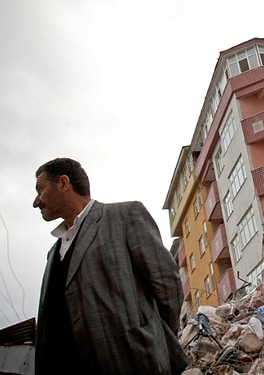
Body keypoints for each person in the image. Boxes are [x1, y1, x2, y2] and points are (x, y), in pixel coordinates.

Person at [33, 158, 188, 375]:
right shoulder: (53, 253)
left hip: (132, 365)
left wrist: (148, 336)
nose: (36, 202)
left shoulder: (123, 217)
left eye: (40, 189)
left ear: (63, 183)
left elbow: (167, 284)